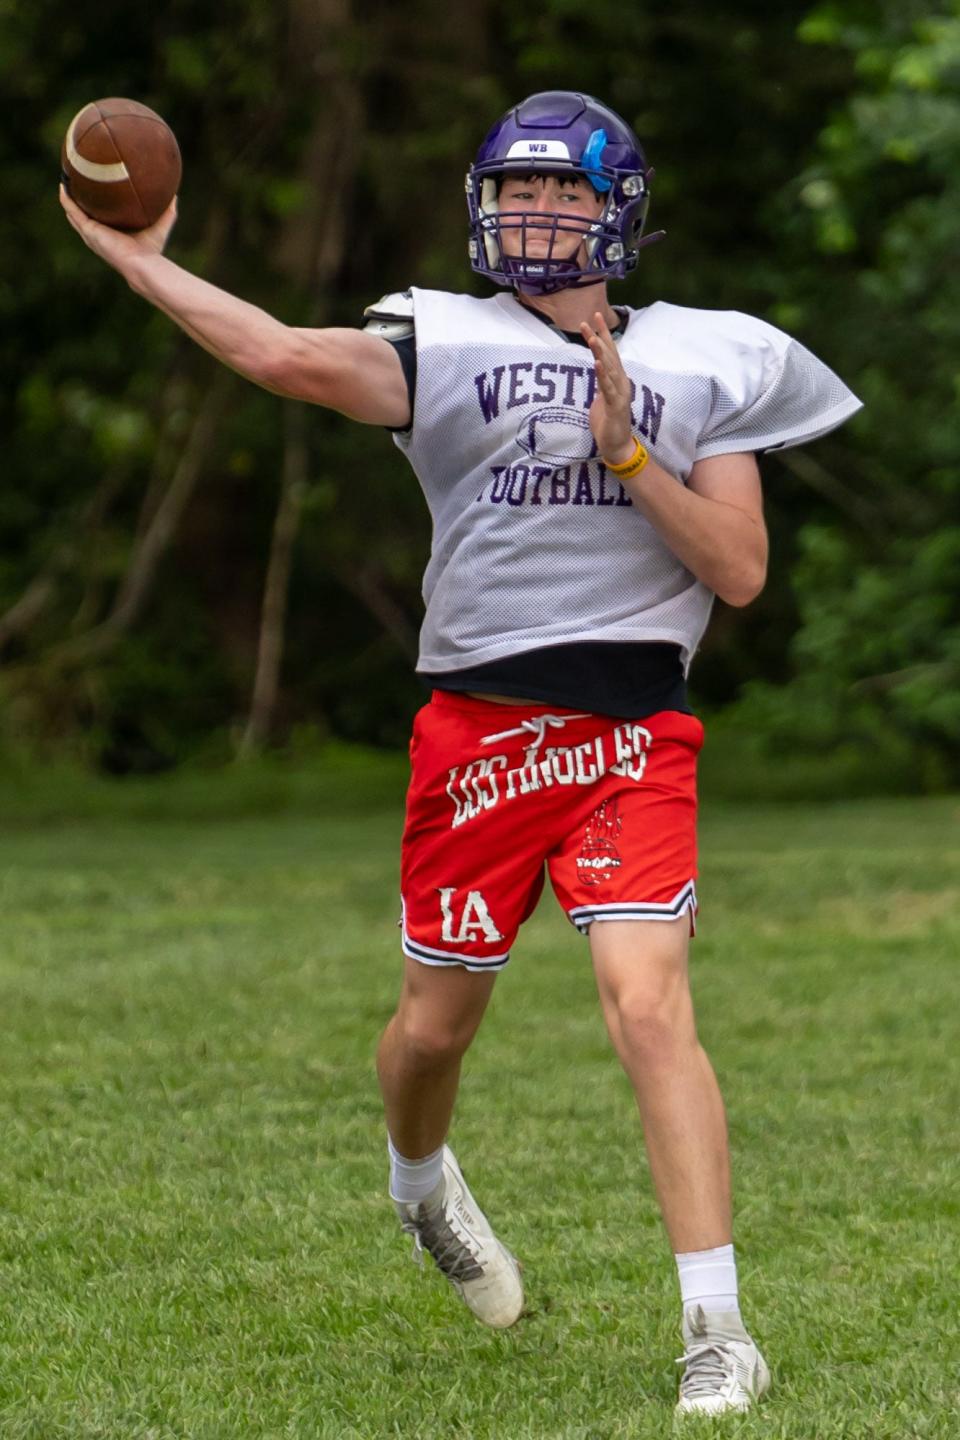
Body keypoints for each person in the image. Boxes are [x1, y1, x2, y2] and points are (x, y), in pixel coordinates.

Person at [61, 89, 861, 1416]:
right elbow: (275, 354)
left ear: (623, 215)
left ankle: (717, 1327)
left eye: (569, 195)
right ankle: (419, 1182)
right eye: (523, 190)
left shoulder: (712, 357)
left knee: (649, 1006)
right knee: (433, 1031)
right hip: (477, 734)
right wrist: (145, 261)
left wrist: (629, 452)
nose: (542, 214)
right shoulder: (443, 338)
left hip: (627, 734)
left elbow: (738, 568)